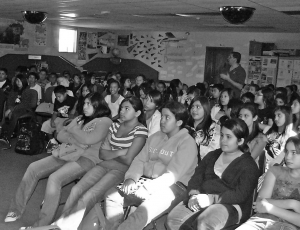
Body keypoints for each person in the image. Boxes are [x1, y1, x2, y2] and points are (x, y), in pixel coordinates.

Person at [79, 101, 198, 230]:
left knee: (143, 211)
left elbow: (171, 176)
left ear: (179, 122)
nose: (162, 121)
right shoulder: (156, 137)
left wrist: (149, 188)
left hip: (174, 187)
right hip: (146, 180)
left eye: (167, 117)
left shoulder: (187, 143)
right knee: (112, 195)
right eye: (162, 116)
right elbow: (139, 160)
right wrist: (131, 179)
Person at [5, 93, 112, 228]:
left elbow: (88, 140)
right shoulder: (79, 118)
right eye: (84, 103)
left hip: (86, 159)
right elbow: (61, 134)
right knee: (33, 168)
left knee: (55, 179)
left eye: (88, 104)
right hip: (67, 153)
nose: (84, 106)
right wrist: (77, 138)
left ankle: (42, 224)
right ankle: (15, 210)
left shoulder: (105, 121)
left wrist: (74, 132)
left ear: (98, 105)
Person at [52, 96, 148, 230]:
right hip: (103, 165)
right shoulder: (115, 126)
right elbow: (102, 154)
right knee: (76, 190)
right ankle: (61, 223)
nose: (122, 111)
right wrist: (121, 151)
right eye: (121, 108)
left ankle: (62, 227)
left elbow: (128, 160)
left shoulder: (141, 130)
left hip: (120, 171)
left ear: (137, 113)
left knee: (89, 196)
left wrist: (114, 153)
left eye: (127, 109)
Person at [167, 118, 260, 230]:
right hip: (201, 197)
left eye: (228, 137)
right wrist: (194, 194)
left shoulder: (249, 165)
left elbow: (240, 195)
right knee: (174, 219)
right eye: (222, 135)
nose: (223, 140)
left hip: (231, 205)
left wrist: (210, 199)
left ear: (240, 141)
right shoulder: (212, 156)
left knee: (204, 223)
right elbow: (196, 179)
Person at [236, 136, 300, 230]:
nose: (288, 156)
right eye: (286, 151)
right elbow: (260, 203)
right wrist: (292, 204)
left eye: (294, 152)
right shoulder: (275, 171)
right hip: (259, 221)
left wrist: (271, 207)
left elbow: (265, 204)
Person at [0, 74, 37, 149]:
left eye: (19, 81)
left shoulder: (28, 90)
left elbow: (24, 104)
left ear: (24, 81)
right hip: (13, 108)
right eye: (17, 80)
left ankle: (7, 137)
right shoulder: (14, 91)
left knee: (14, 115)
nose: (18, 82)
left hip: (25, 109)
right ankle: (3, 132)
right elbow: (9, 101)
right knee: (3, 113)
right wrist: (10, 108)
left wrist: (11, 110)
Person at [43, 85, 77, 153]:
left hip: (68, 120)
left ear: (65, 94)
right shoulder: (56, 100)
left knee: (59, 131)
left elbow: (73, 115)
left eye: (59, 96)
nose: (58, 98)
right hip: (59, 118)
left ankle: (62, 146)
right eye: (56, 97)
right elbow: (55, 113)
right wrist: (52, 121)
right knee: (46, 125)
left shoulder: (73, 100)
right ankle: (53, 142)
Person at [187, 96, 219, 161]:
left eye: (198, 107)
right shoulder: (186, 125)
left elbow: (214, 152)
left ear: (205, 108)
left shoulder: (213, 128)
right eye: (192, 107)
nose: (194, 110)